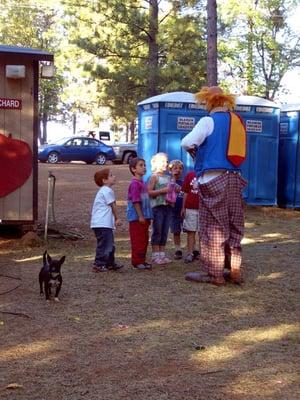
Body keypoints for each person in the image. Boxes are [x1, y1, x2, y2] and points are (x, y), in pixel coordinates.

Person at [181, 86, 247, 286]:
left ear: (208, 102)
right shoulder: (238, 122)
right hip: (235, 178)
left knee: (213, 227)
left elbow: (187, 142)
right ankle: (234, 271)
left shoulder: (208, 121)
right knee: (234, 225)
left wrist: (195, 152)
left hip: (211, 179)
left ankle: (214, 273)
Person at [90, 168, 123, 272]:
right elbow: (113, 206)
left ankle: (110, 263)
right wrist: (117, 218)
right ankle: (99, 264)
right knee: (105, 245)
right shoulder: (107, 191)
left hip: (100, 223)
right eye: (111, 175)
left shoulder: (102, 191)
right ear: (104, 180)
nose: (114, 177)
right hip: (103, 223)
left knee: (109, 244)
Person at [127, 157, 153, 270]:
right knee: (137, 239)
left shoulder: (142, 183)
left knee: (144, 239)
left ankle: (142, 260)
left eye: (144, 165)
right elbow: (136, 201)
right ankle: (136, 261)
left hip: (145, 217)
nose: (144, 167)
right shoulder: (135, 184)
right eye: (141, 165)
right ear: (133, 169)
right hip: (137, 218)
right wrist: (141, 216)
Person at [148, 152, 173, 265]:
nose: (165, 163)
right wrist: (162, 191)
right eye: (162, 161)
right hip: (157, 207)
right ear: (155, 163)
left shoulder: (168, 177)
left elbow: (171, 191)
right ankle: (155, 255)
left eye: (166, 161)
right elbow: (149, 192)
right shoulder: (154, 177)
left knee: (164, 230)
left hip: (168, 206)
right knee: (157, 230)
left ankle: (162, 254)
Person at [181, 170, 200, 263]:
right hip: (190, 208)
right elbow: (186, 192)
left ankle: (204, 254)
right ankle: (190, 253)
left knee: (203, 233)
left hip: (204, 209)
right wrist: (183, 207)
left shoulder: (207, 174)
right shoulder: (190, 175)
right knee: (190, 231)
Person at [168, 159, 184, 260]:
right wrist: (173, 177)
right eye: (175, 168)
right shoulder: (169, 182)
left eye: (180, 168)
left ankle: (193, 248)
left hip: (183, 210)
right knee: (176, 231)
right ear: (170, 170)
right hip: (173, 211)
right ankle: (177, 249)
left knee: (190, 230)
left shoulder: (184, 182)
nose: (177, 170)